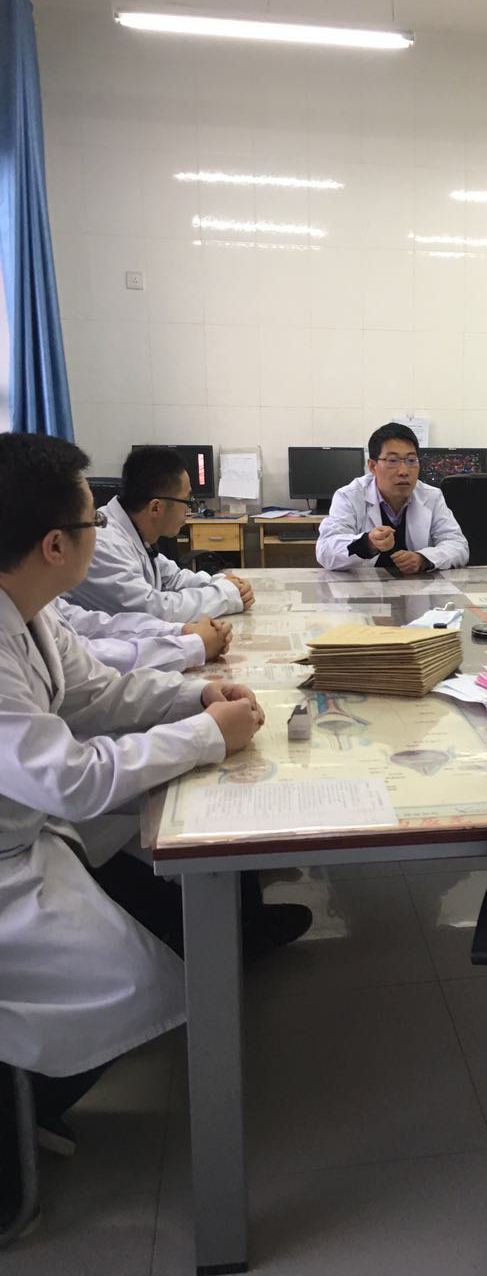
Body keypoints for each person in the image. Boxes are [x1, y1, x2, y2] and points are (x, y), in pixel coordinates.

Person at [0, 433, 267, 1232]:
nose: (101, 531)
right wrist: (208, 736)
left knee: (141, 915)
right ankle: (15, 1127)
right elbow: (71, 778)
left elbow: (98, 693)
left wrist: (195, 699)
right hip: (12, 857)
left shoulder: (29, 609)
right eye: (91, 522)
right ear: (56, 545)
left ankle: (29, 1102)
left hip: (29, 831)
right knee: (132, 986)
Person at [66, 446, 255, 620]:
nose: (189, 510)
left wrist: (221, 583)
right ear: (156, 507)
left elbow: (173, 578)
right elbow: (152, 610)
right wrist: (224, 595)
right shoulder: (104, 543)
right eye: (188, 501)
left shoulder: (135, 533)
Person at [316, 422, 469, 573]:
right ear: (372, 466)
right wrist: (367, 543)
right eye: (392, 461)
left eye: (411, 460)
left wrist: (423, 559)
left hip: (416, 585)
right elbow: (325, 551)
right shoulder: (350, 496)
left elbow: (458, 546)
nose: (404, 471)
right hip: (364, 586)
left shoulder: (431, 496)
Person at [53, 596, 231, 674]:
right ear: (55, 545)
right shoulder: (107, 543)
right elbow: (89, 661)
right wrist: (192, 647)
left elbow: (91, 624)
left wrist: (183, 631)